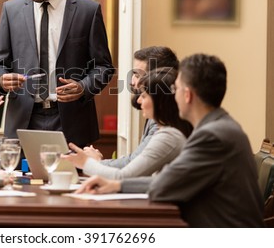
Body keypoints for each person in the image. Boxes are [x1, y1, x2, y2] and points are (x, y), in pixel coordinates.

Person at [76, 54, 265, 227]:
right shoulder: (219, 126)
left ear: (187, 95)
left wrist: (116, 183)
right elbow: (164, 181)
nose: (173, 96)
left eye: (176, 89)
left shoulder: (212, 136)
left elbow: (162, 186)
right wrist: (117, 184)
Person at [0, 0, 114, 147]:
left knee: (72, 179)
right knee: (19, 179)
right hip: (24, 121)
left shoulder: (88, 11)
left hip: (72, 121)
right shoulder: (11, 10)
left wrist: (83, 87)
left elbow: (104, 67)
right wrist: (2, 78)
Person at [64, 68, 192, 179]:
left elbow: (125, 176)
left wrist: (87, 163)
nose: (139, 101)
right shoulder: (167, 131)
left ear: (159, 101)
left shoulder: (168, 136)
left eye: (144, 96)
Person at [84, 46, 179, 168]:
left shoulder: (164, 119)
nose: (132, 81)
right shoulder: (157, 113)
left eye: (137, 75)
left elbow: (135, 163)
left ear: (156, 78)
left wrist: (97, 162)